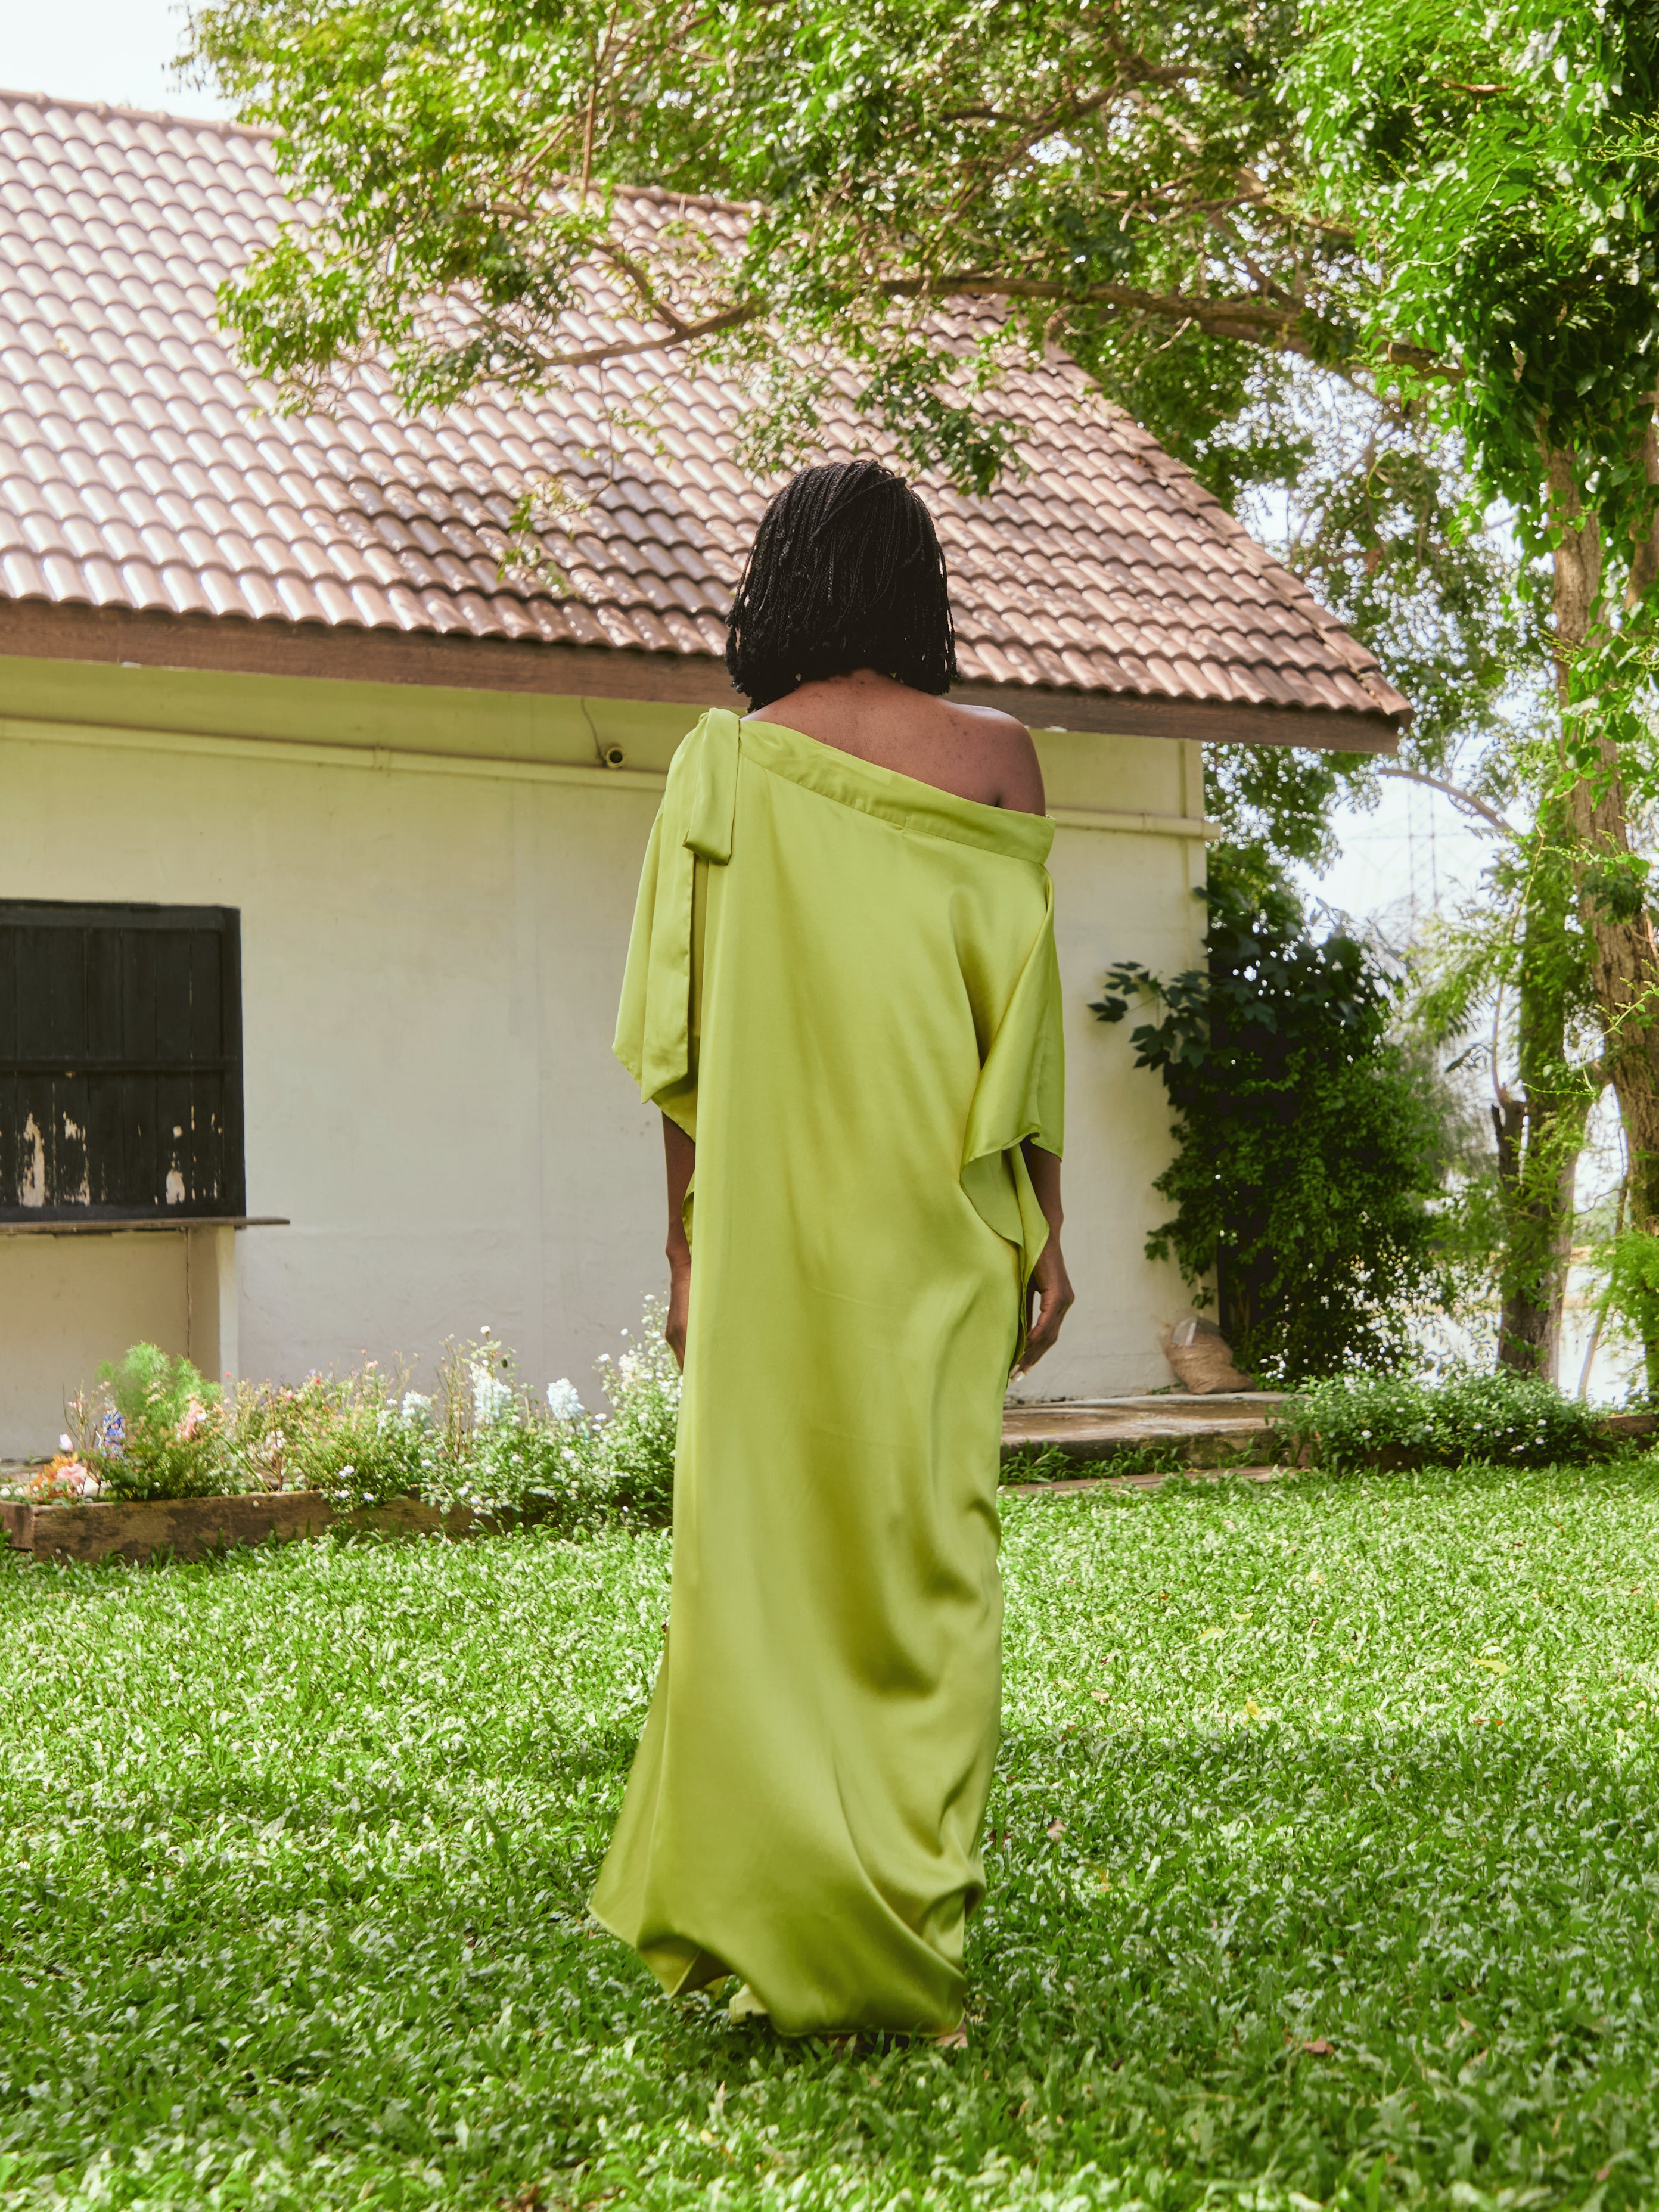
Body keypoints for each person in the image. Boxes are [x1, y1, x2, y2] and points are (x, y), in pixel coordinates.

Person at [590, 458, 1073, 2040]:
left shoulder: (724, 768)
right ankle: (903, 1934)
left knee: (759, 1572)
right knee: (935, 1565)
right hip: (944, 1224)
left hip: (769, 1241)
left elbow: (685, 1040)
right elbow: (1028, 1029)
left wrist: (683, 1252)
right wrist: (1048, 1233)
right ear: (919, 588)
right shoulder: (998, 760)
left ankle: (773, 1928)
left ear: (781, 587)